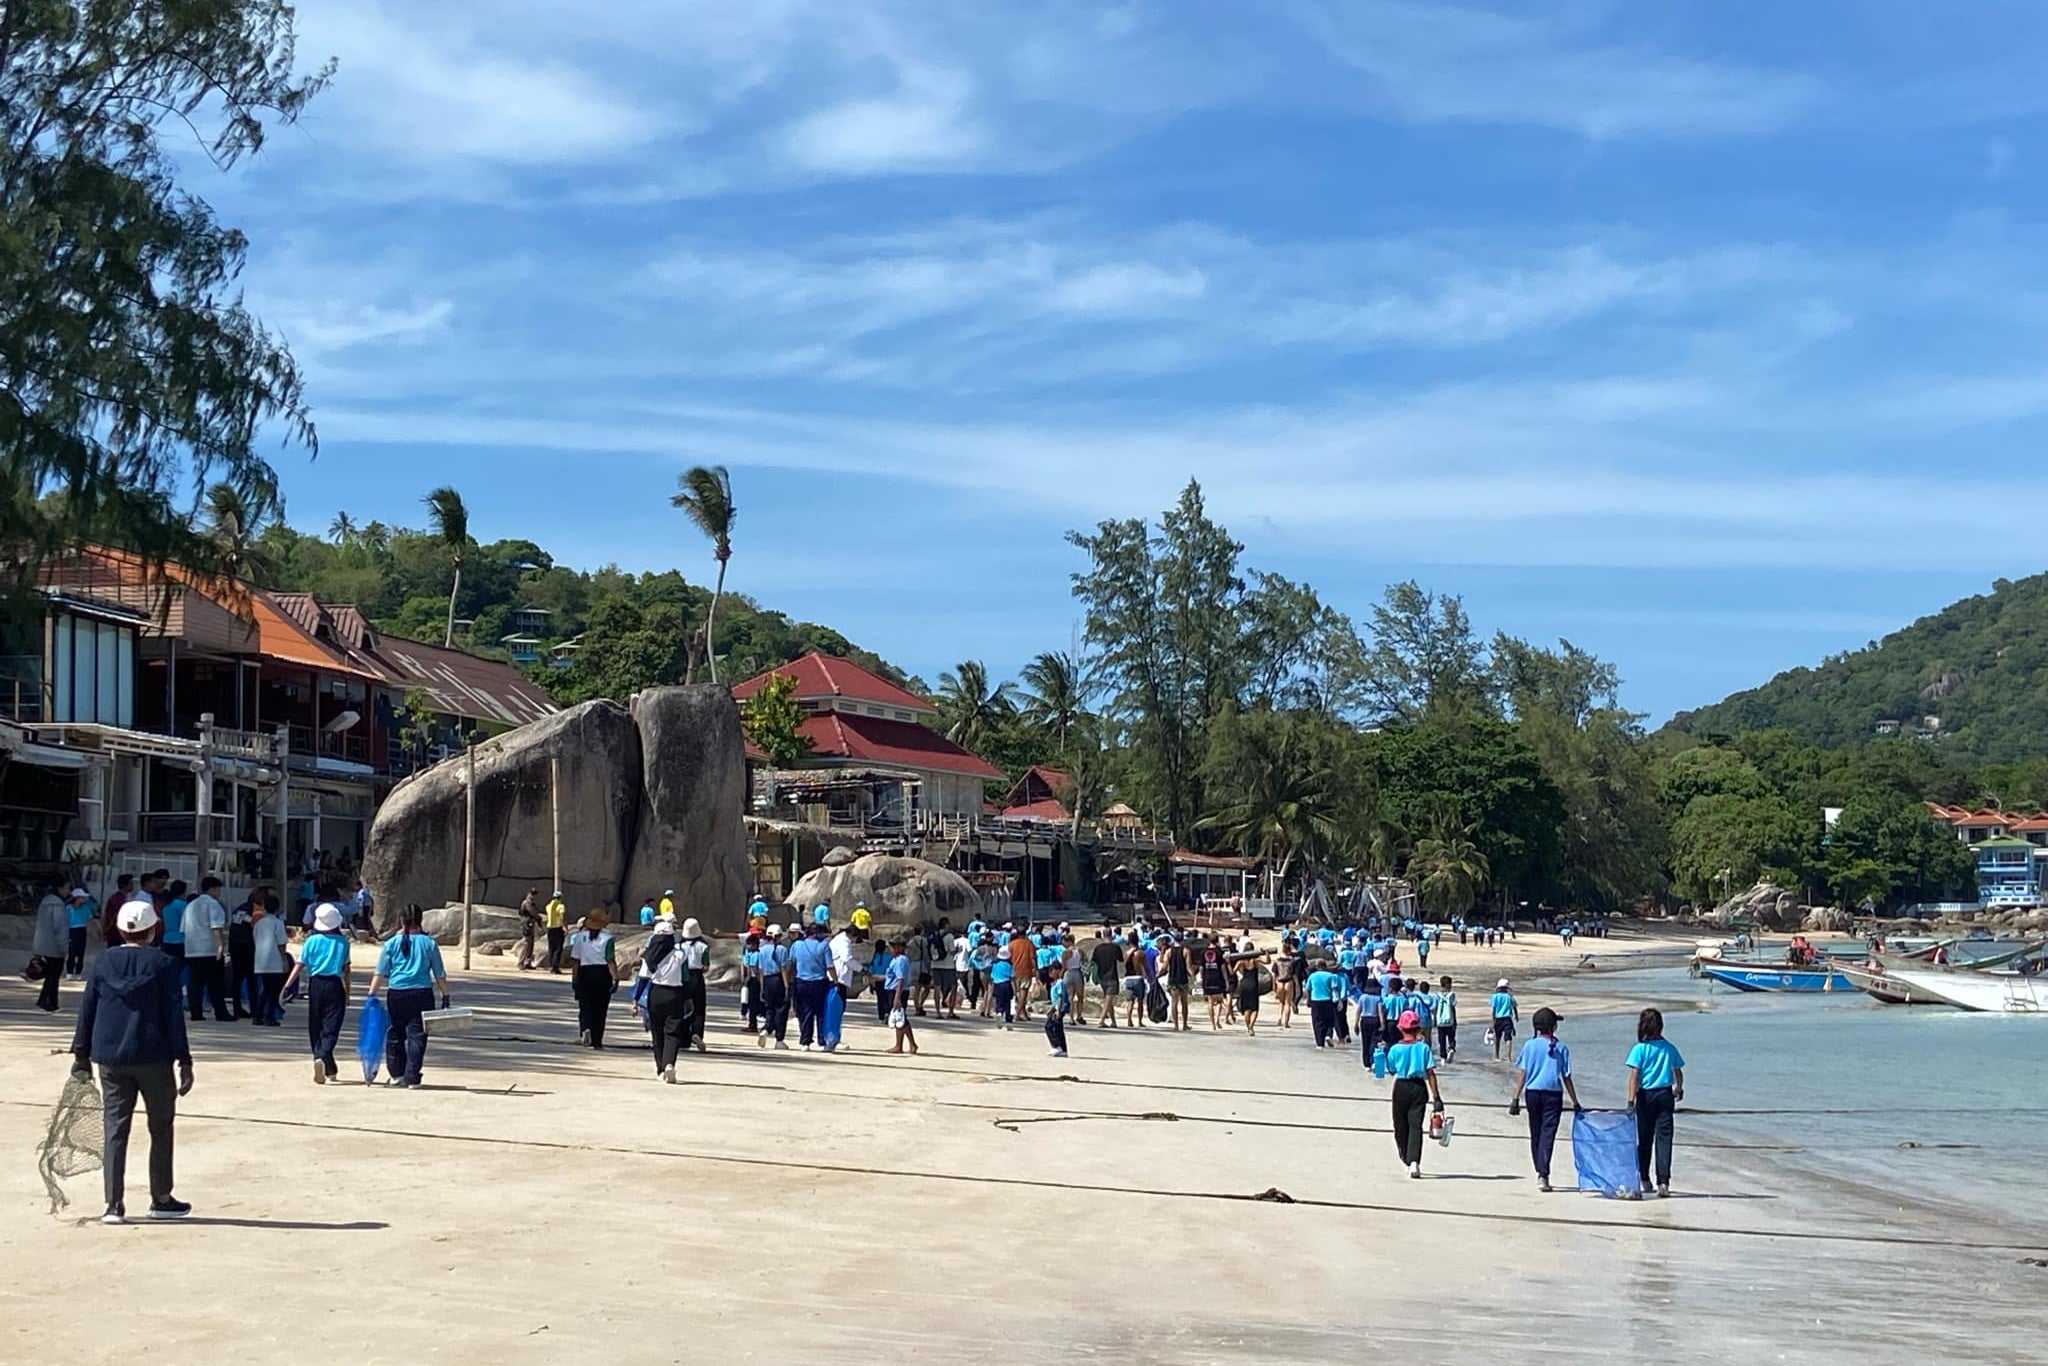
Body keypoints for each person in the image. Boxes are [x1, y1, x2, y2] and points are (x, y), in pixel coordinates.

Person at [69, 899, 194, 1224]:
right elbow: (173, 1016)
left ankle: (113, 1205)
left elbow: (88, 1009)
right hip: (153, 1055)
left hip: (110, 1057)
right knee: (161, 1128)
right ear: (154, 929)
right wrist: (184, 1059)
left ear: (121, 929)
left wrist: (80, 1054)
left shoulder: (102, 962)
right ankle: (161, 1199)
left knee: (115, 1129)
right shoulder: (165, 965)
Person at [366, 905, 450, 1087]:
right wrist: (445, 995)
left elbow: (379, 973)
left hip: (397, 993)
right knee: (417, 1035)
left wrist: (371, 995)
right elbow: (439, 973)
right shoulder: (429, 943)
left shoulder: (391, 944)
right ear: (420, 920)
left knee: (395, 1033)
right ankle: (412, 1076)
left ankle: (396, 1074)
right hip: (422, 994)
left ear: (401, 921)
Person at [1512, 1007, 1583, 1192]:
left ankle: (1540, 1171)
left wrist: (1515, 1097)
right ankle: (1543, 1173)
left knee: (1535, 1133)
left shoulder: (1530, 1045)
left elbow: (1523, 1073)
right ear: (1553, 1026)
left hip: (1532, 1093)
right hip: (1553, 1095)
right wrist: (1575, 1101)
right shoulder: (1560, 1048)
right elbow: (1566, 1077)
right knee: (1547, 1134)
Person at [283, 903, 353, 1083]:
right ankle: (323, 1056)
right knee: (331, 1026)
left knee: (315, 1024)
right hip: (334, 984)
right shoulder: (343, 942)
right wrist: (348, 993)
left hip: (315, 984)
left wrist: (287, 986)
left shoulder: (311, 941)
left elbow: (300, 965)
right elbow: (346, 969)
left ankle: (323, 1061)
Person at [1626, 1008, 1686, 1199]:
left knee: (1644, 1139)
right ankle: (1663, 1181)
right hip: (1664, 1095)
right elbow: (1678, 1071)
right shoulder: (1669, 1047)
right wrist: (1679, 1088)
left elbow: (1634, 1076)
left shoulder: (1640, 1049)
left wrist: (1630, 1101)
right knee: (1664, 1139)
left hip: (1645, 1096)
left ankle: (1644, 1177)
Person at [1388, 1010, 1445, 1179]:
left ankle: (1406, 1158)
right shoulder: (1424, 1048)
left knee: (1400, 1125)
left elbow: (1391, 1070)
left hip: (1401, 1087)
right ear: (1418, 1029)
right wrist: (1436, 1097)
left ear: (1401, 1029)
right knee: (1415, 1126)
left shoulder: (1395, 1049)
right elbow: (1430, 1073)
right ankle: (1414, 1162)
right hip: (1419, 1087)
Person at [642, 915, 689, 1081]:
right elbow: (685, 978)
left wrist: (636, 999)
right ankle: (670, 1063)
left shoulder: (648, 957)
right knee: (672, 1032)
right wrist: (688, 998)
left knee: (657, 1031)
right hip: (675, 994)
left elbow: (643, 977)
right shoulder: (680, 954)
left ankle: (660, 1068)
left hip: (656, 993)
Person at [181, 877, 232, 1022]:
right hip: (210, 949)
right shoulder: (213, 904)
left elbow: (184, 928)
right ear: (213, 888)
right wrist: (221, 946)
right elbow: (216, 927)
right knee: (215, 983)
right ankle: (221, 1012)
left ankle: (196, 1012)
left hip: (192, 949)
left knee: (195, 983)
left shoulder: (190, 905)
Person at [567, 911, 618, 1047]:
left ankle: (585, 1029)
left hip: (585, 972)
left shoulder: (579, 937)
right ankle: (597, 1040)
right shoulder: (608, 938)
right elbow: (610, 959)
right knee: (601, 1008)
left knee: (585, 1006)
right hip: (602, 973)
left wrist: (574, 979)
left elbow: (576, 961)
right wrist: (615, 978)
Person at [791, 917, 834, 1049]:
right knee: (821, 1012)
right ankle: (822, 1042)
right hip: (819, 982)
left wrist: (789, 982)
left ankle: (805, 1041)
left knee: (805, 1012)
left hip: (801, 982)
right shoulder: (824, 946)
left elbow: (791, 964)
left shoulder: (797, 945)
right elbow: (830, 967)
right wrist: (836, 981)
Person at [249, 893, 289, 1027]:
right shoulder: (278, 923)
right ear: (277, 909)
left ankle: (258, 1014)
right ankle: (269, 1015)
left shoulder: (258, 923)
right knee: (274, 990)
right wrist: (284, 960)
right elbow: (281, 943)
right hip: (274, 960)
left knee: (265, 989)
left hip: (260, 960)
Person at [32, 876, 70, 1012]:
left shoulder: (45, 902)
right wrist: (63, 946)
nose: (68, 891)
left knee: (51, 974)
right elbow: (60, 928)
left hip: (43, 944)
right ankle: (48, 1001)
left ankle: (48, 1000)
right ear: (60, 888)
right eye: (67, 888)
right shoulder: (58, 905)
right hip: (54, 946)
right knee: (54, 975)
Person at [754, 924, 792, 1049]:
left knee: (769, 1008)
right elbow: (783, 969)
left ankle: (767, 1028)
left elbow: (759, 970)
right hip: (778, 980)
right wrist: (786, 987)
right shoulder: (782, 949)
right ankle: (779, 1039)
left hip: (767, 980)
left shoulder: (762, 949)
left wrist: (761, 987)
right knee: (781, 1009)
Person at [882, 939, 917, 1055]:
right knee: (901, 1018)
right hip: (893, 990)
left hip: (897, 991)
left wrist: (897, 997)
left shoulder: (901, 960)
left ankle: (902, 1045)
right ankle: (907, 1044)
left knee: (900, 1018)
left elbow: (900, 979)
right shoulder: (896, 960)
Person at [1305, 961, 1344, 1048]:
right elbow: (1335, 989)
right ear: (1325, 966)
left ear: (1317, 966)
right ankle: (1328, 1035)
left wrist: (1308, 1000)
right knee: (1329, 1020)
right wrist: (1339, 1001)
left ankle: (1319, 1043)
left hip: (1315, 1000)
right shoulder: (1331, 976)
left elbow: (1308, 989)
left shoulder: (1312, 976)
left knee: (1317, 1022)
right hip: (1328, 1000)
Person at [1090, 933, 1123, 1028]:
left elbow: (1094, 961)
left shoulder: (1098, 948)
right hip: (1112, 975)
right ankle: (1102, 1020)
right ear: (1111, 935)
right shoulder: (1115, 947)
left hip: (1102, 976)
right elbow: (1120, 959)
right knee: (1108, 1000)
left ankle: (1113, 1021)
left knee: (1108, 999)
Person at [1161, 934, 1193, 1031]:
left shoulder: (1169, 951)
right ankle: (1184, 1024)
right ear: (1182, 940)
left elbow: (1164, 966)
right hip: (1183, 979)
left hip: (1172, 979)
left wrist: (1158, 974)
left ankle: (1176, 1025)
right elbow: (1188, 967)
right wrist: (1193, 976)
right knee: (1184, 1002)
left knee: (1174, 1003)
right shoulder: (1186, 951)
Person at [64, 886, 95, 979]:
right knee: (71, 952)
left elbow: (90, 919)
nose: (83, 899)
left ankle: (78, 972)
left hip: (81, 930)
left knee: (81, 953)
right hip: (72, 930)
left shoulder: (85, 908)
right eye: (81, 897)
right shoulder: (68, 908)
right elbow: (65, 920)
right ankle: (69, 971)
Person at [1236, 950, 1263, 1036]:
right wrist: (1265, 953)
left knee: (1246, 1008)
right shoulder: (1255, 960)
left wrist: (1229, 963)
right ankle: (1251, 1026)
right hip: (1253, 985)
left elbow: (1232, 971)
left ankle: (1248, 1027)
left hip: (1244, 985)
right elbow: (1267, 961)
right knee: (1254, 1008)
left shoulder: (1241, 961)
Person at [1045, 966, 1070, 1058]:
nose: (1051, 973)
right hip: (1055, 1008)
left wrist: (1058, 1011)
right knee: (1058, 1028)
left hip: (1059, 1008)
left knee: (1049, 1026)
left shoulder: (1060, 983)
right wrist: (1051, 1009)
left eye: (1053, 971)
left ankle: (1056, 1046)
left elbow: (1060, 998)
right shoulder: (1054, 984)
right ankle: (1062, 1049)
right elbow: (1054, 1000)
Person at [1490, 978, 1518, 1060]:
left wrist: (1492, 1022)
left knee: (1497, 1038)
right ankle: (1508, 1057)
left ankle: (1496, 1056)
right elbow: (1514, 1007)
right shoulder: (1509, 997)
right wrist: (1516, 1016)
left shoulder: (1495, 997)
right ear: (1507, 988)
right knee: (1508, 1038)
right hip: (1507, 1019)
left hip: (1498, 1019)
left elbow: (1493, 1011)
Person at [543, 891, 568, 973]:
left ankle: (551, 965)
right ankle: (555, 966)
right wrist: (565, 927)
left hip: (550, 928)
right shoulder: (561, 906)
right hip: (558, 927)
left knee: (551, 947)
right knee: (558, 948)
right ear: (560, 897)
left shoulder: (548, 906)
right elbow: (562, 917)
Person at [1436, 975, 1458, 1062]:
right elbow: (1453, 1008)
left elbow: (1435, 1009)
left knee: (1441, 1040)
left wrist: (1435, 1020)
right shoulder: (1452, 995)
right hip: (1450, 1020)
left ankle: (1443, 1057)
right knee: (1451, 1037)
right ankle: (1451, 1048)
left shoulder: (1437, 996)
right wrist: (1455, 1021)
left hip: (1440, 1021)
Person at [517, 888, 540, 970]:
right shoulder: (527, 903)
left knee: (530, 944)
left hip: (530, 924)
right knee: (526, 944)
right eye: (532, 894)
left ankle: (527, 962)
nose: (533, 896)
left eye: (534, 894)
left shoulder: (531, 903)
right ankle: (520, 962)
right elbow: (533, 913)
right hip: (526, 924)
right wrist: (538, 918)